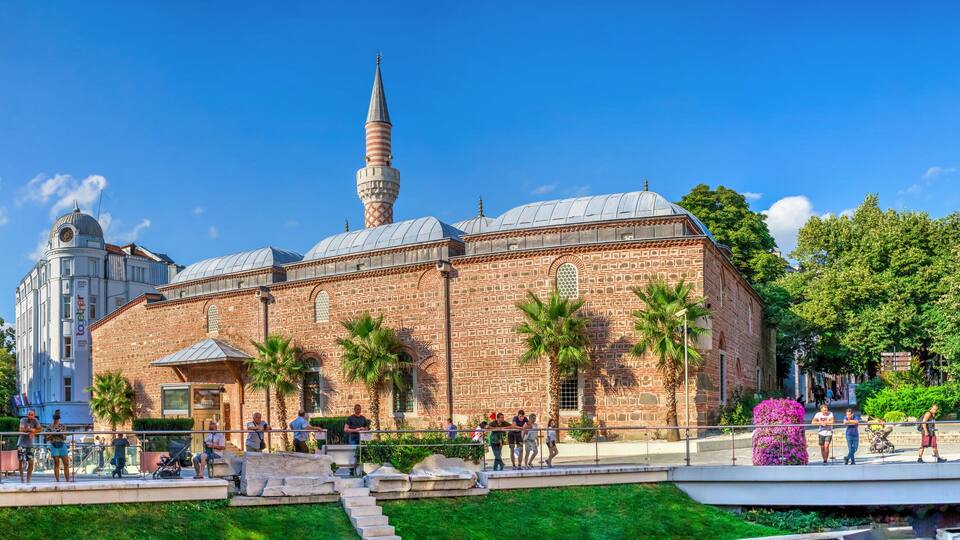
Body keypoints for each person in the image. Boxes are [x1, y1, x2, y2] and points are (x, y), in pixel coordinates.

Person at [17, 409, 41, 483]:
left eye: (32, 415)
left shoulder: (35, 420)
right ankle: (22, 478)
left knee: (31, 462)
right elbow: (21, 429)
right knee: (21, 461)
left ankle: (28, 479)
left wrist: (34, 432)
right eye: (29, 414)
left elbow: (40, 429)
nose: (30, 416)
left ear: (34, 415)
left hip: (30, 445)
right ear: (27, 415)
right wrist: (31, 430)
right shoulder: (23, 420)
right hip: (21, 444)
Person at [48, 410, 71, 482]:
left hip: (62, 444)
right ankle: (57, 480)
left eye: (57, 418)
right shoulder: (50, 426)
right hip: (54, 444)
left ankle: (67, 480)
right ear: (53, 419)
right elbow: (47, 437)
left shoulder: (63, 426)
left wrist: (60, 434)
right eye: (55, 418)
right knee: (56, 463)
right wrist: (53, 434)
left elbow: (64, 437)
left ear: (59, 418)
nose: (56, 420)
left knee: (66, 463)